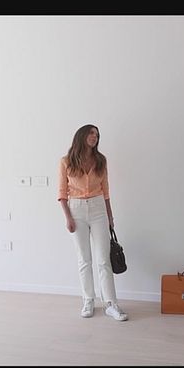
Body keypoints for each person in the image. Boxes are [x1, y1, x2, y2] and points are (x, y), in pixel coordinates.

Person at [58, 124, 128, 321]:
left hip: (98, 209)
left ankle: (111, 304)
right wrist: (68, 217)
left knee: (103, 259)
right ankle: (88, 300)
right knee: (84, 259)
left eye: (97, 135)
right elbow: (62, 193)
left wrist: (110, 217)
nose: (94, 137)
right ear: (81, 135)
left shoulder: (100, 160)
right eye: (91, 133)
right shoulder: (66, 161)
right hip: (76, 209)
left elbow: (106, 192)